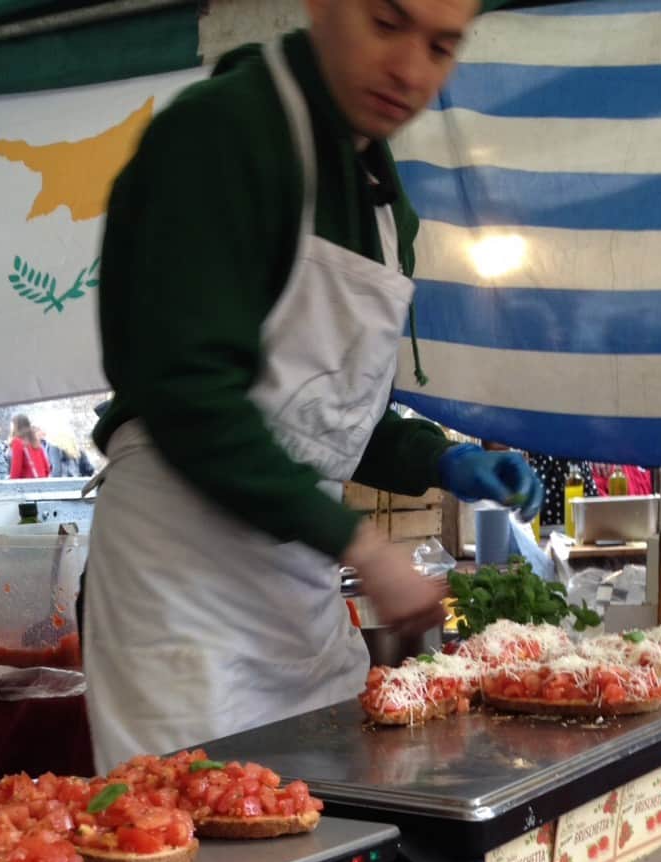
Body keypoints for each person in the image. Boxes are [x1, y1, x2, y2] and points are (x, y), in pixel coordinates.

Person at [82, 0, 541, 767]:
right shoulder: (222, 136)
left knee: (334, 843)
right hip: (182, 594)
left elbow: (315, 417)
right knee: (201, 846)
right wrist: (360, 540)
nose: (411, 70)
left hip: (296, 599)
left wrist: (436, 459)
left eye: (442, 45)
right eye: (387, 24)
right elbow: (189, 394)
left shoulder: (381, 196)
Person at [9, 414, 51, 480]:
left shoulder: (17, 442)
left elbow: (16, 468)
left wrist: (11, 484)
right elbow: (47, 468)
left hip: (27, 484)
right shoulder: (35, 441)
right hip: (41, 482)